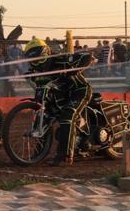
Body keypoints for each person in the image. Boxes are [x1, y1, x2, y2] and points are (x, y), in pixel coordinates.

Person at [24, 38, 94, 166]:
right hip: (60, 95)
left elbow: (88, 57)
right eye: (31, 60)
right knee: (44, 117)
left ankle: (64, 156)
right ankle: (39, 153)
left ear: (44, 53)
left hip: (79, 90)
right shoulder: (36, 71)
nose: (34, 62)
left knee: (67, 116)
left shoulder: (61, 59)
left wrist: (75, 69)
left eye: (36, 58)